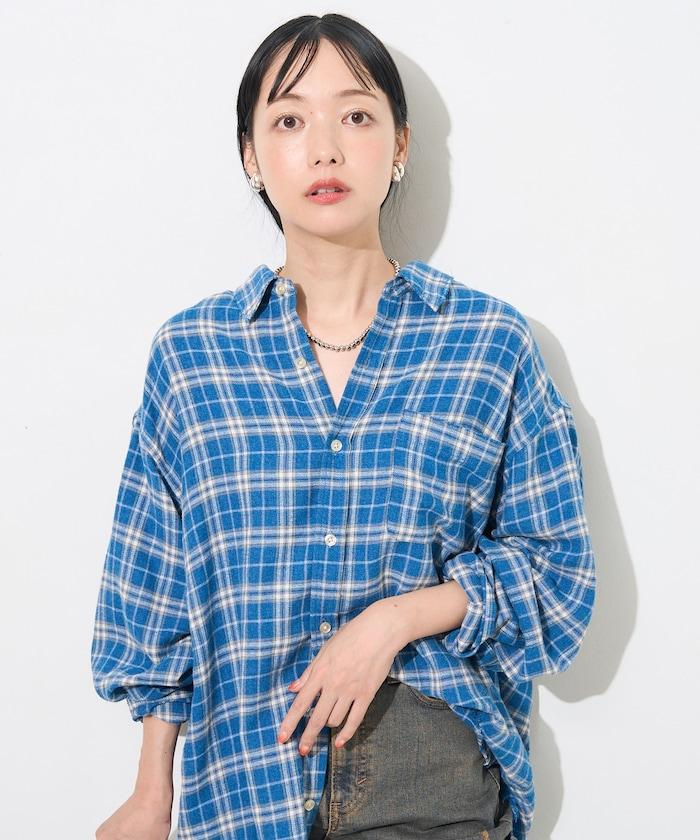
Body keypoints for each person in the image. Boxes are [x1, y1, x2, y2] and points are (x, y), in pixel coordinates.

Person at [90, 13, 596, 840]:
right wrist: (152, 792)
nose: (324, 148)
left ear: (399, 144)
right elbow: (151, 592)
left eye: (355, 116)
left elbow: (559, 577)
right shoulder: (192, 356)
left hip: (423, 768)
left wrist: (392, 621)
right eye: (289, 121)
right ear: (251, 156)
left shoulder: (488, 345)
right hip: (242, 790)